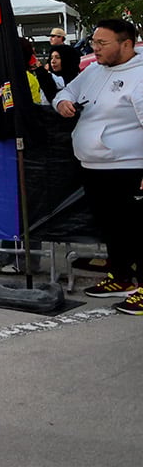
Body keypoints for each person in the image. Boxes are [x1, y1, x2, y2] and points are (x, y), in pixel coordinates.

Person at [54, 19, 143, 313]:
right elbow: (64, 92)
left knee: (136, 229)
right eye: (94, 42)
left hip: (129, 167)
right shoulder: (92, 70)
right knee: (111, 228)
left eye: (102, 43)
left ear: (126, 44)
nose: (95, 48)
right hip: (93, 165)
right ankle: (121, 277)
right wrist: (62, 103)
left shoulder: (140, 74)